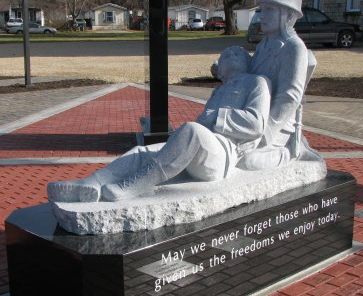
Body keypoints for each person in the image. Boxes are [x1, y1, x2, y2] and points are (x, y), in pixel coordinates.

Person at [48, 46, 271, 203]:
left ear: (248, 63)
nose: (231, 54)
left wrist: (217, 117)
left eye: (238, 53)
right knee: (141, 151)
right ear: (220, 71)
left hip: (223, 156)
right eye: (225, 56)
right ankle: (90, 183)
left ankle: (138, 184)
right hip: (201, 148)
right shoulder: (218, 90)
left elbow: (257, 124)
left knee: (191, 131)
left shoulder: (257, 83)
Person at [237, 0, 312, 171]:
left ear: (288, 15)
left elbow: (290, 96)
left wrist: (267, 132)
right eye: (262, 10)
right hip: (254, 116)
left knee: (246, 161)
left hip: (278, 125)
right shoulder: (263, 45)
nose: (262, 15)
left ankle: (288, 153)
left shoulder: (294, 48)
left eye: (269, 10)